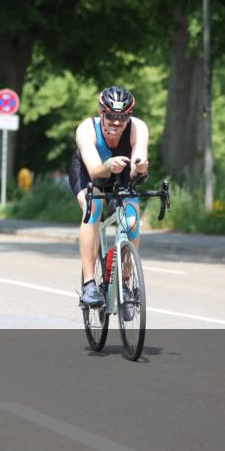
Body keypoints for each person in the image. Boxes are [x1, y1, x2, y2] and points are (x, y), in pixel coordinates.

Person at [69, 85, 149, 312]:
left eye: (122, 117)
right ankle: (89, 284)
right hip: (89, 170)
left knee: (132, 220)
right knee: (92, 208)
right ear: (101, 112)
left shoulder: (138, 128)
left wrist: (140, 168)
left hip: (121, 172)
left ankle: (125, 283)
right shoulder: (87, 128)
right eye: (111, 116)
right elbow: (95, 171)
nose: (116, 122)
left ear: (129, 116)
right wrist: (107, 166)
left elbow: (137, 165)